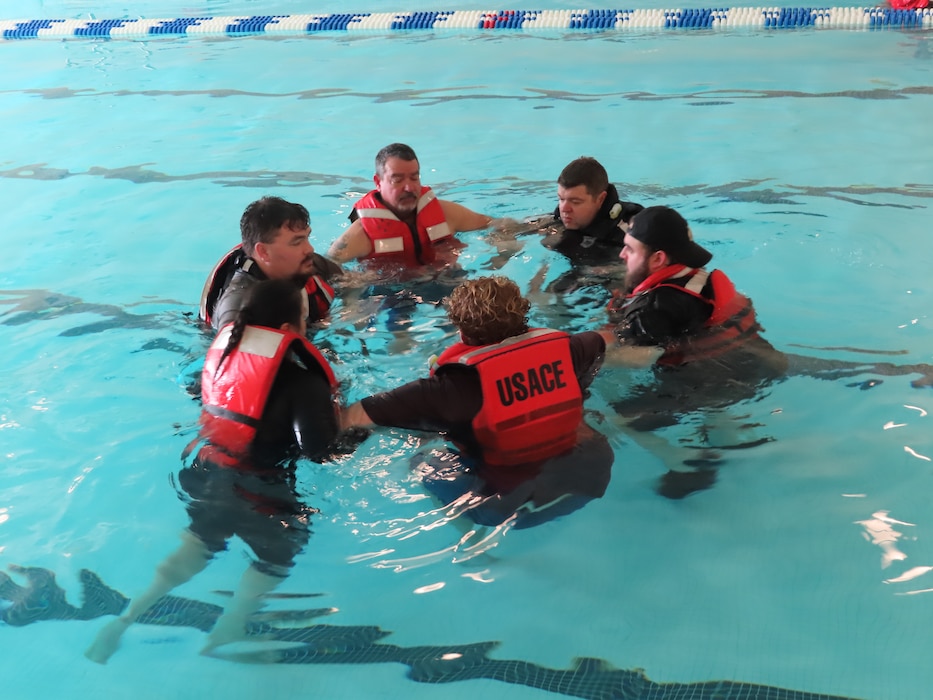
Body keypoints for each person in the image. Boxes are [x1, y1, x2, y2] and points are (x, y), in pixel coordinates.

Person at [86, 279, 341, 663]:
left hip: (206, 474)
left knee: (197, 544)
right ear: (290, 330)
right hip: (261, 491)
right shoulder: (302, 383)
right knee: (280, 552)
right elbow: (321, 451)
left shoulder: (221, 355)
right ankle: (230, 627)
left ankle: (125, 619)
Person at [603, 205, 933, 497]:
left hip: (715, 380)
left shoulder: (654, 306)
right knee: (826, 367)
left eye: (630, 250)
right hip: (758, 358)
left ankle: (683, 462)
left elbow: (642, 357)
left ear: (658, 258)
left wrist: (586, 353)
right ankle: (906, 372)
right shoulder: (697, 278)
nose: (621, 255)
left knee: (616, 416)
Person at [340, 276, 613, 527]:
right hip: (592, 480)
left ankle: (471, 551)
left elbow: (355, 416)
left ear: (462, 331)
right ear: (523, 315)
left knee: (421, 457)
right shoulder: (573, 349)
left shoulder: (447, 389)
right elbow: (606, 341)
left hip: (505, 510)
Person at [327, 143, 495, 269]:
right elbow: (325, 270)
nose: (409, 188)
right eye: (398, 180)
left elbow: (496, 225)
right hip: (388, 296)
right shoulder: (360, 235)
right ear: (378, 182)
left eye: (414, 178)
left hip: (446, 281)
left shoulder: (446, 214)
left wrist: (502, 252)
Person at [200, 196, 343, 330]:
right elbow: (229, 354)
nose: (310, 249)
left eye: (307, 238)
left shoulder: (303, 264)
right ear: (264, 252)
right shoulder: (238, 306)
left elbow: (351, 282)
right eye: (297, 242)